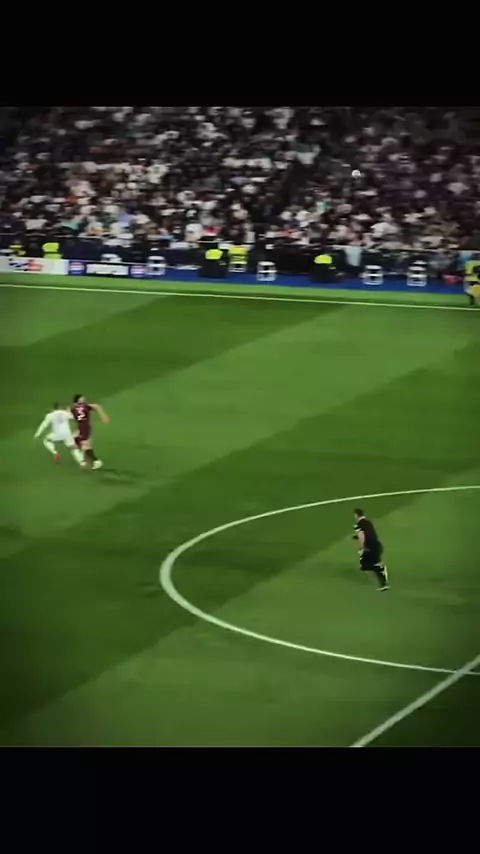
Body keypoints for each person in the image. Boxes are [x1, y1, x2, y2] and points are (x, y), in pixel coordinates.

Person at [353, 508, 389, 591]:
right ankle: (380, 572)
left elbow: (362, 536)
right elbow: (369, 533)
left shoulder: (358, 525)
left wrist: (362, 548)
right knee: (364, 565)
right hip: (376, 545)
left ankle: (381, 572)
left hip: (370, 547)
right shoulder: (368, 522)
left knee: (370, 565)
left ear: (356, 515)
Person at [71, 394, 109, 470]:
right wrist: (103, 416)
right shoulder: (85, 406)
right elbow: (97, 407)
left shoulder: (74, 408)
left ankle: (96, 461)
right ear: (78, 400)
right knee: (76, 442)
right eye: (82, 398)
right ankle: (85, 460)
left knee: (84, 447)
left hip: (83, 429)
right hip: (83, 429)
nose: (83, 399)